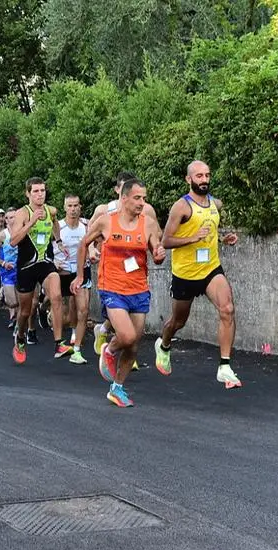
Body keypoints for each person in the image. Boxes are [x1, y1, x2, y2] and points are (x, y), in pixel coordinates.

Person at [71, 179, 166, 408]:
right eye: (137, 198)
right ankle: (110, 349)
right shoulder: (106, 221)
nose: (142, 202)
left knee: (134, 345)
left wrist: (160, 254)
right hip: (112, 287)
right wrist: (80, 276)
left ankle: (117, 388)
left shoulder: (149, 224)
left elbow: (157, 252)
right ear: (124, 199)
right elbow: (84, 244)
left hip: (139, 289)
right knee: (127, 336)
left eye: (144, 198)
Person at [155, 161, 242, 388]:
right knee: (178, 322)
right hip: (185, 274)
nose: (204, 180)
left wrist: (224, 239)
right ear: (189, 179)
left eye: (207, 175)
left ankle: (224, 366)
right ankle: (164, 345)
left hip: (210, 269)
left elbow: (211, 231)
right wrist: (192, 238)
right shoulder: (181, 207)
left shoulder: (216, 204)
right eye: (199, 176)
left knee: (227, 309)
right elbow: (166, 241)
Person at [88, 172, 160, 368]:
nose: (140, 201)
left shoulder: (147, 211)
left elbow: (157, 238)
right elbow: (89, 235)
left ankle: (109, 336)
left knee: (131, 331)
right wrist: (91, 249)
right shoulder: (105, 211)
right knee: (124, 325)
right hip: (112, 276)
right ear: (118, 191)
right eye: (121, 188)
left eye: (142, 197)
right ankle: (112, 341)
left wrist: (158, 250)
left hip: (136, 277)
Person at [9, 177, 70, 365]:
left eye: (42, 190)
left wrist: (58, 241)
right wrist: (31, 222)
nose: (39, 194)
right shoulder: (22, 213)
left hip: (45, 262)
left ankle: (59, 343)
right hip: (26, 266)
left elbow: (55, 223)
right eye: (35, 191)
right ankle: (20, 337)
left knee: (57, 296)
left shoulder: (51, 210)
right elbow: (13, 240)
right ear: (28, 193)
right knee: (26, 311)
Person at [52, 195, 91, 365]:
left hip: (81, 271)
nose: (73, 209)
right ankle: (47, 311)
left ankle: (77, 350)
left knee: (83, 309)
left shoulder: (86, 226)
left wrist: (93, 253)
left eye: (76, 205)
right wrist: (54, 262)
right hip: (62, 271)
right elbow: (46, 248)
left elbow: (93, 244)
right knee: (64, 310)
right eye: (70, 205)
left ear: (80, 207)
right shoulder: (58, 227)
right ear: (64, 207)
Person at [0, 208, 20, 329]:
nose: (13, 220)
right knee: (12, 302)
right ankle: (2, 292)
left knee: (23, 301)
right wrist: (3, 263)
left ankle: (17, 323)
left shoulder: (23, 232)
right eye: (10, 217)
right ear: (6, 220)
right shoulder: (3, 235)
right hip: (7, 272)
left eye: (15, 217)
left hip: (21, 270)